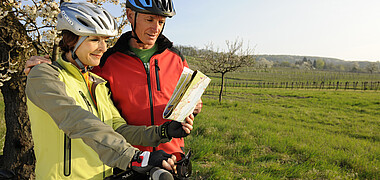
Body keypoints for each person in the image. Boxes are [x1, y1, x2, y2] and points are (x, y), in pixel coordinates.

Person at [25, 2, 193, 179]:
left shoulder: (97, 84)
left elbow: (119, 129)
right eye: (94, 39)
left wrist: (163, 131)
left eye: (105, 40)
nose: (103, 48)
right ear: (71, 39)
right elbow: (75, 118)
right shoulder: (44, 75)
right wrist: (135, 157)